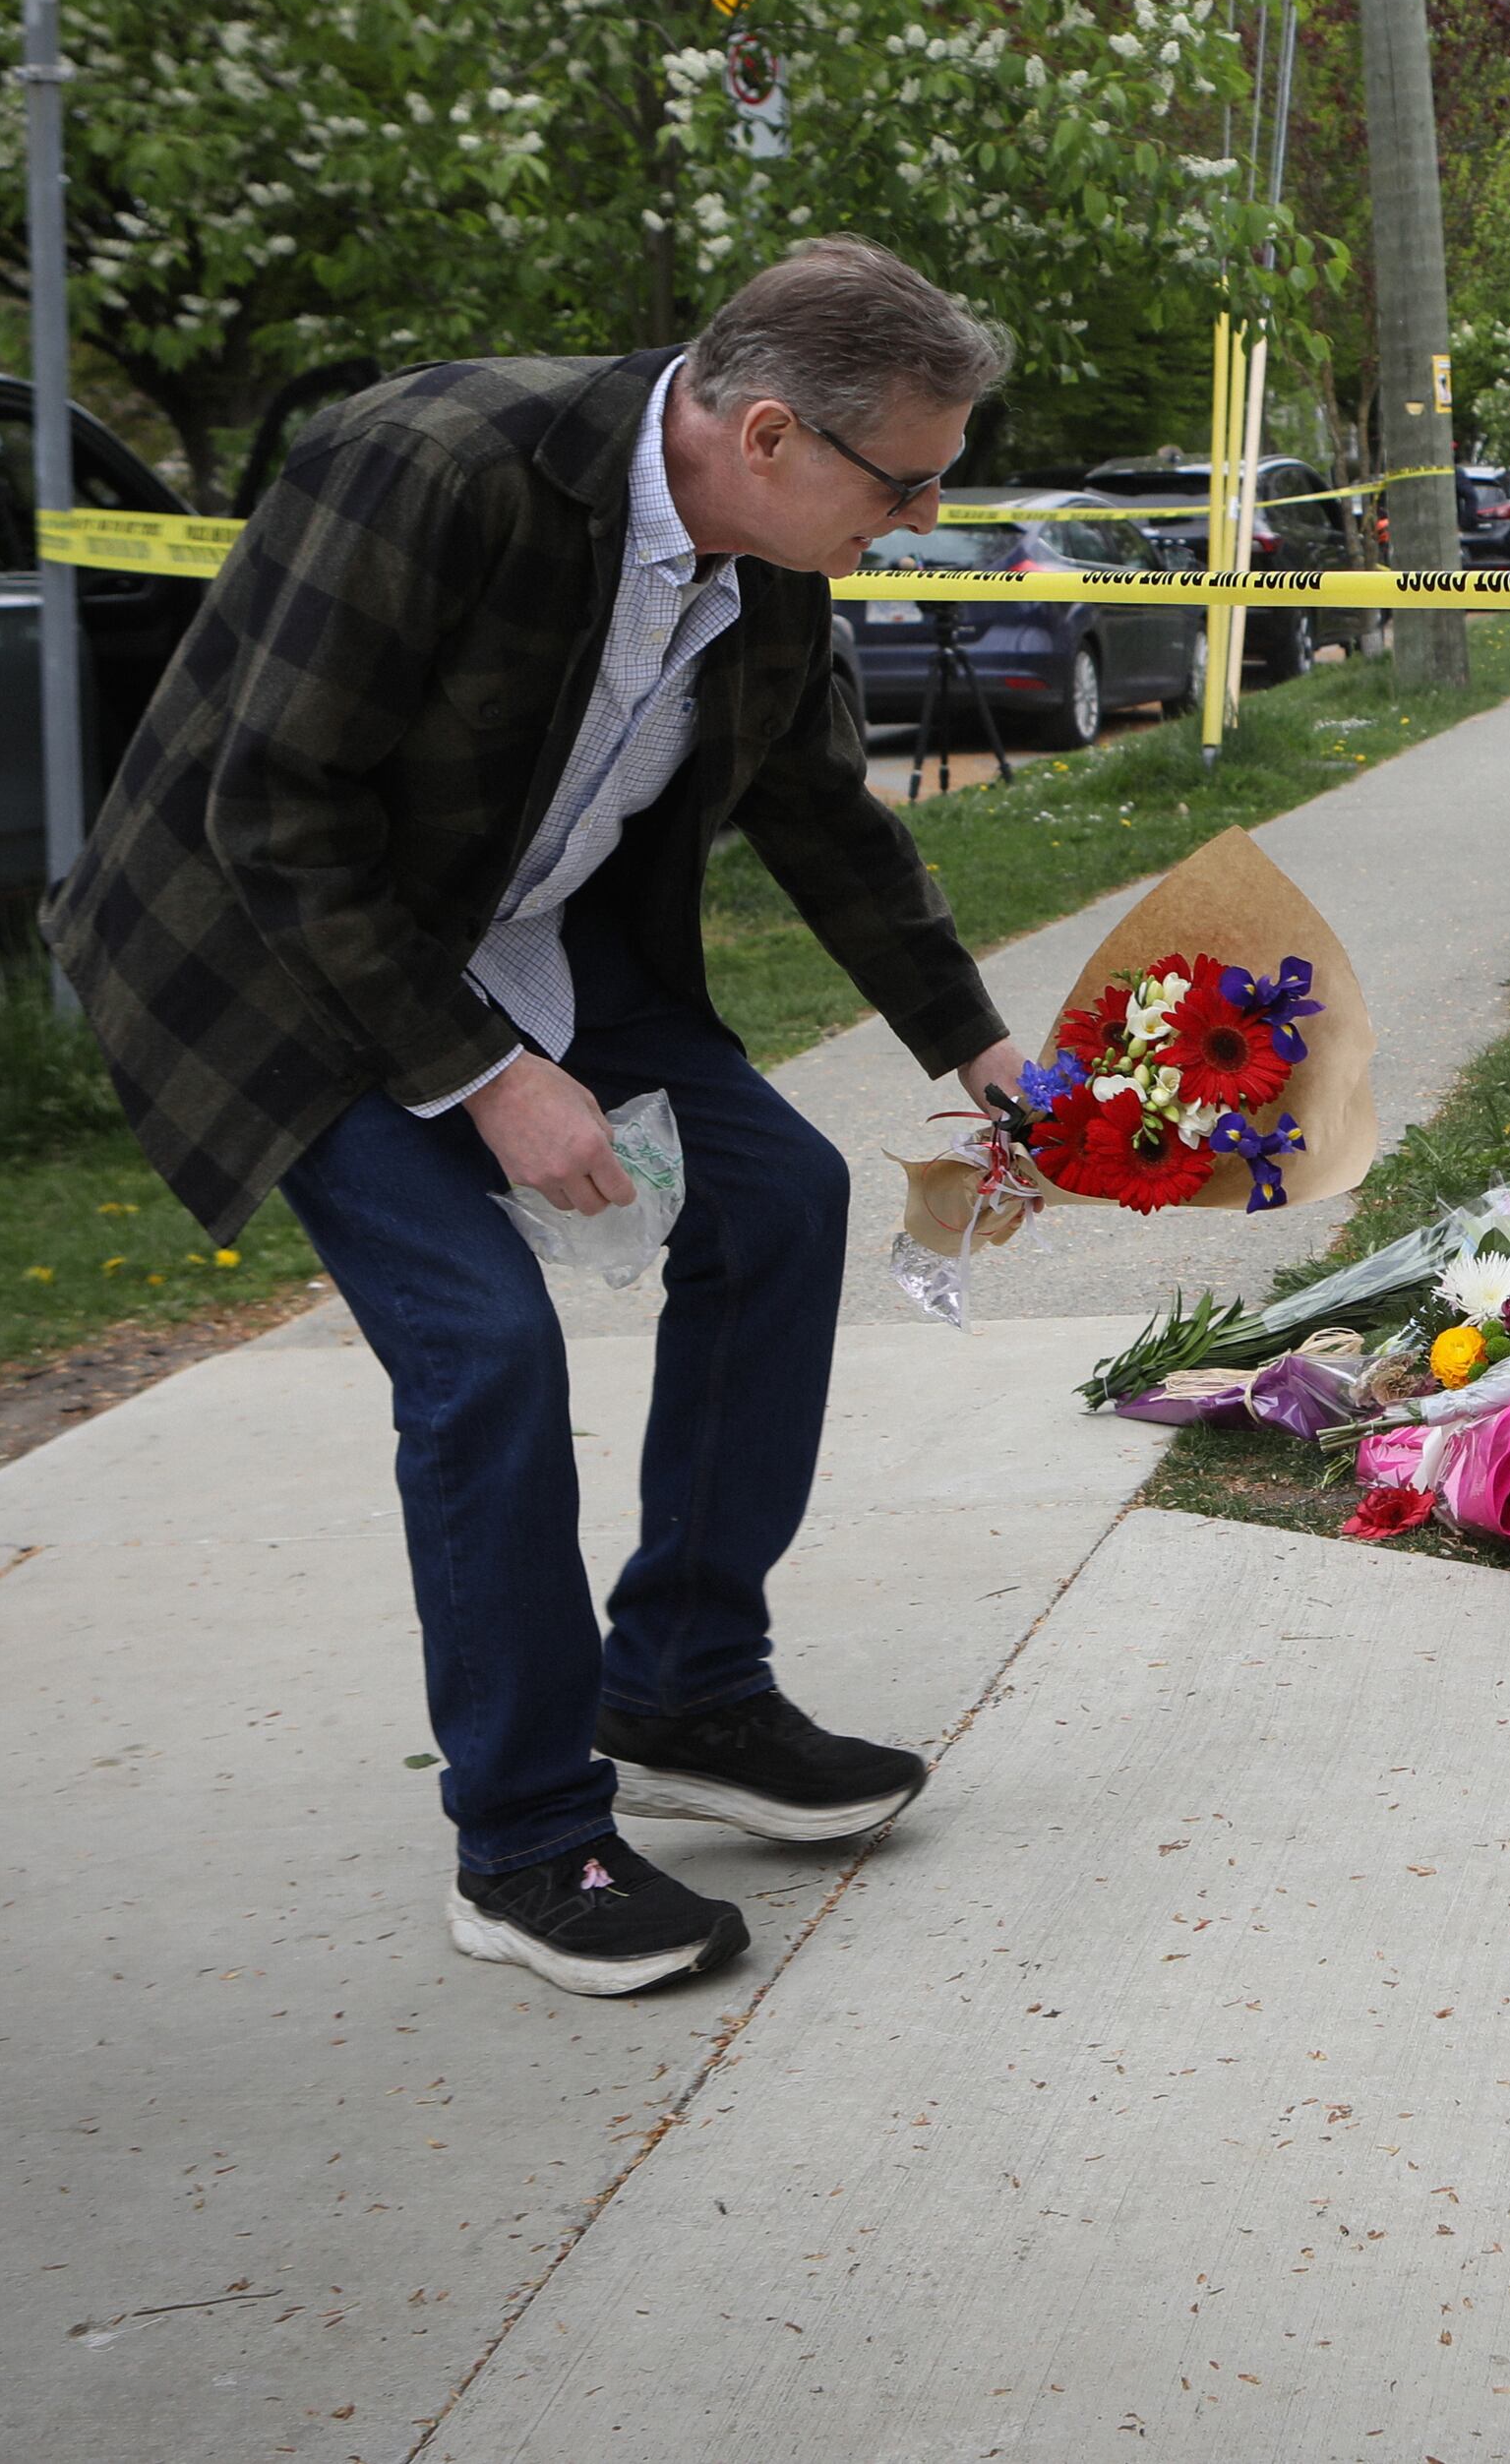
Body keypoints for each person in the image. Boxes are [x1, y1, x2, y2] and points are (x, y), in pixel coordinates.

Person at [50, 240, 1031, 1998]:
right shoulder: (433, 466)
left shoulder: (768, 555)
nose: (927, 515)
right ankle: (522, 1840)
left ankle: (683, 1687)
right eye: (907, 482)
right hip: (273, 947)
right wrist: (486, 1077)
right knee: (485, 1347)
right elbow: (272, 808)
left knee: (781, 1198)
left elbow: (822, 809)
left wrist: (980, 1047)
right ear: (768, 433)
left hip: (524, 931)